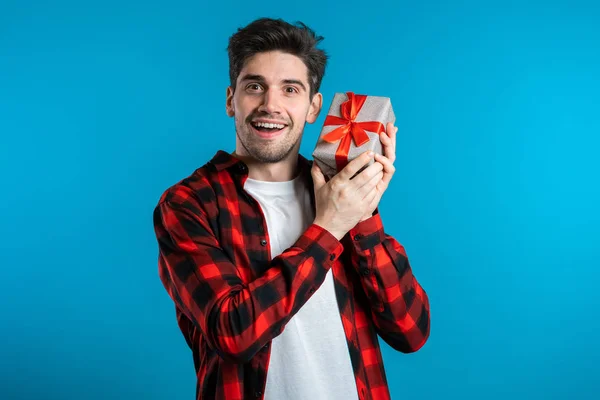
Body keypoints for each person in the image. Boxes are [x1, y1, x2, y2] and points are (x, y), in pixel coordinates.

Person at [152, 17, 430, 400]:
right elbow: (233, 333)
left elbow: (410, 330)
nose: (271, 105)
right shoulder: (189, 204)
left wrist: (363, 215)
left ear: (314, 106)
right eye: (255, 87)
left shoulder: (339, 193)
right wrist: (329, 227)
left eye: (290, 90)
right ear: (231, 99)